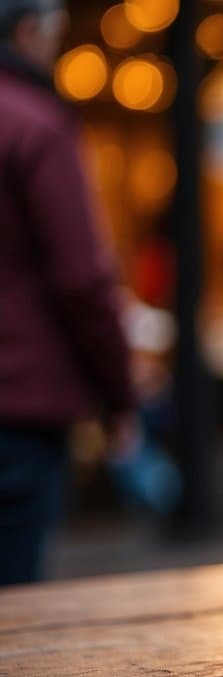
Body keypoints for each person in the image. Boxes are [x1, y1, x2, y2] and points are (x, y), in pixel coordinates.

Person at [0, 0, 136, 583]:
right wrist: (120, 396)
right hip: (17, 409)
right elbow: (83, 278)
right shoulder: (35, 124)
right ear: (28, 31)